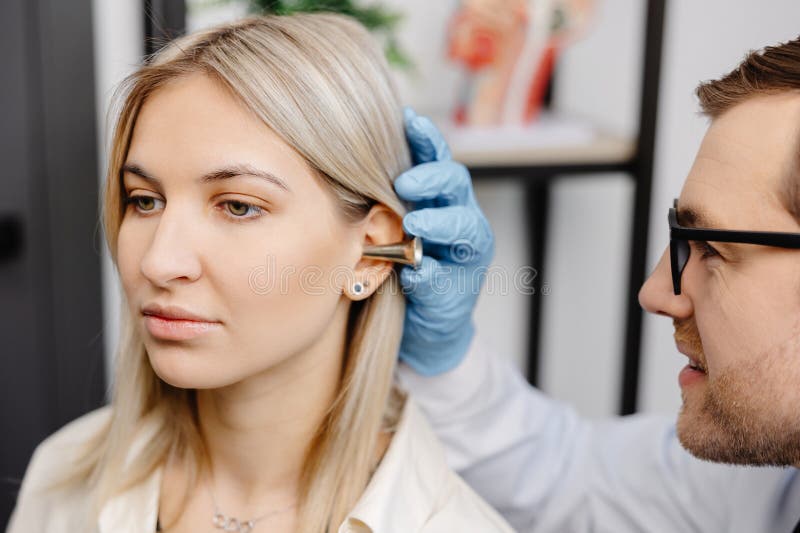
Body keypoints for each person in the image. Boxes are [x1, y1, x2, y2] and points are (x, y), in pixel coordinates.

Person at [6, 14, 513, 533]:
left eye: (238, 207)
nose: (159, 261)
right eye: (145, 200)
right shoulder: (63, 480)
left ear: (370, 249)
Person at [393, 38, 800, 531]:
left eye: (711, 248)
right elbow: (566, 479)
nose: (653, 294)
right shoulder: (761, 486)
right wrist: (445, 357)